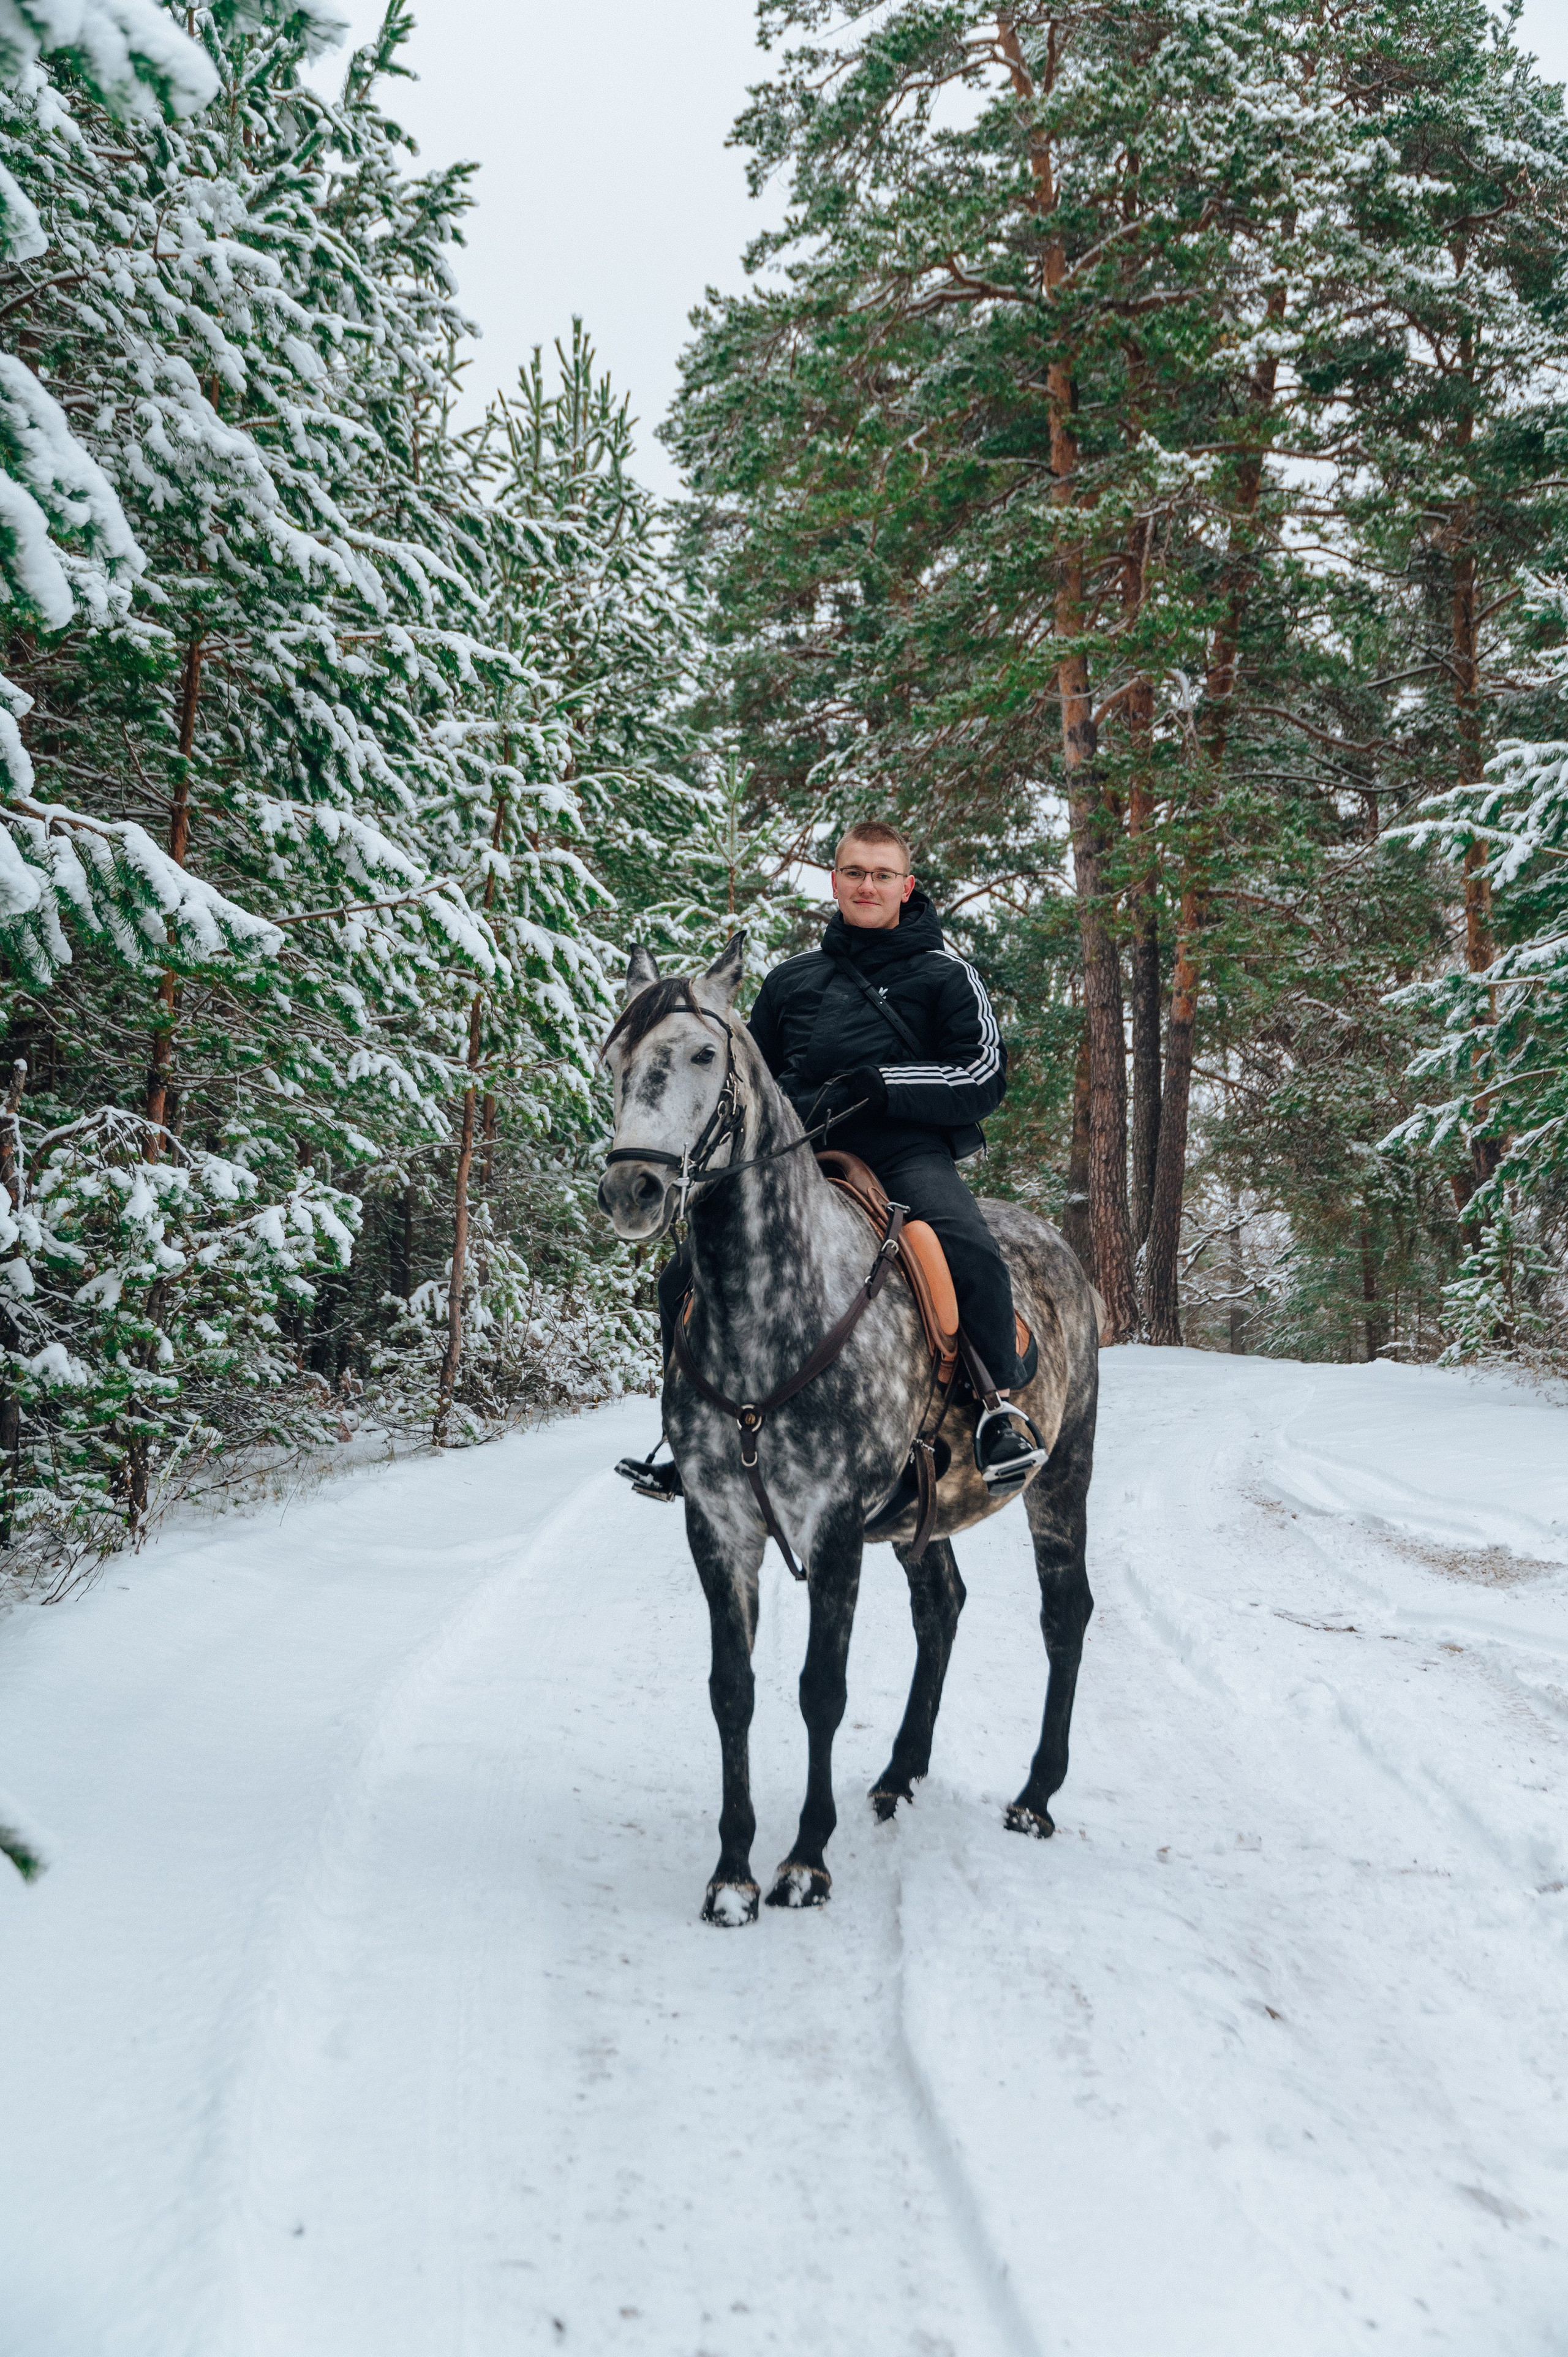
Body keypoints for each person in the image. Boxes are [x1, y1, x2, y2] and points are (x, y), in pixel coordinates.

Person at [618, 821, 1047, 1500]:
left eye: (882, 875)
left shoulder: (948, 974)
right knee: (681, 1278)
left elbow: (982, 1074)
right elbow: (745, 1080)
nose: (867, 885)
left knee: (966, 1248)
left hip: (903, 1151)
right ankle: (689, 1434)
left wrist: (884, 1085)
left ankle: (998, 1409)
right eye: (855, 872)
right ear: (836, 881)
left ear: (906, 886)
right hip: (794, 1155)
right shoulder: (791, 980)